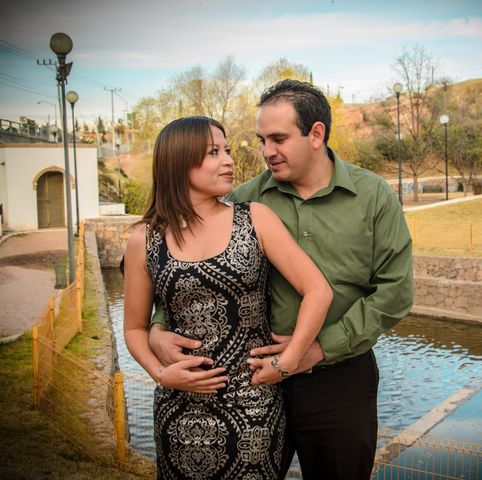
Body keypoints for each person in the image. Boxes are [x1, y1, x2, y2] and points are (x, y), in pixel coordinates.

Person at [150, 80, 414, 479]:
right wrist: (157, 327)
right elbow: (190, 272)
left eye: (278, 138)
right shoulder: (244, 201)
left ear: (316, 134)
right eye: (261, 140)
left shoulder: (373, 195)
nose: (266, 152)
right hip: (254, 384)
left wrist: (317, 349)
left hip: (339, 382)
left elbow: (394, 294)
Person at [124, 116, 333, 479]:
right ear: (179, 162)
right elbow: (134, 329)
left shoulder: (255, 218)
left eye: (227, 150)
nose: (228, 160)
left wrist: (288, 361)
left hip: (253, 407)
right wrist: (161, 374)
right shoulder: (144, 238)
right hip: (179, 412)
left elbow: (318, 290)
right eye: (213, 153)